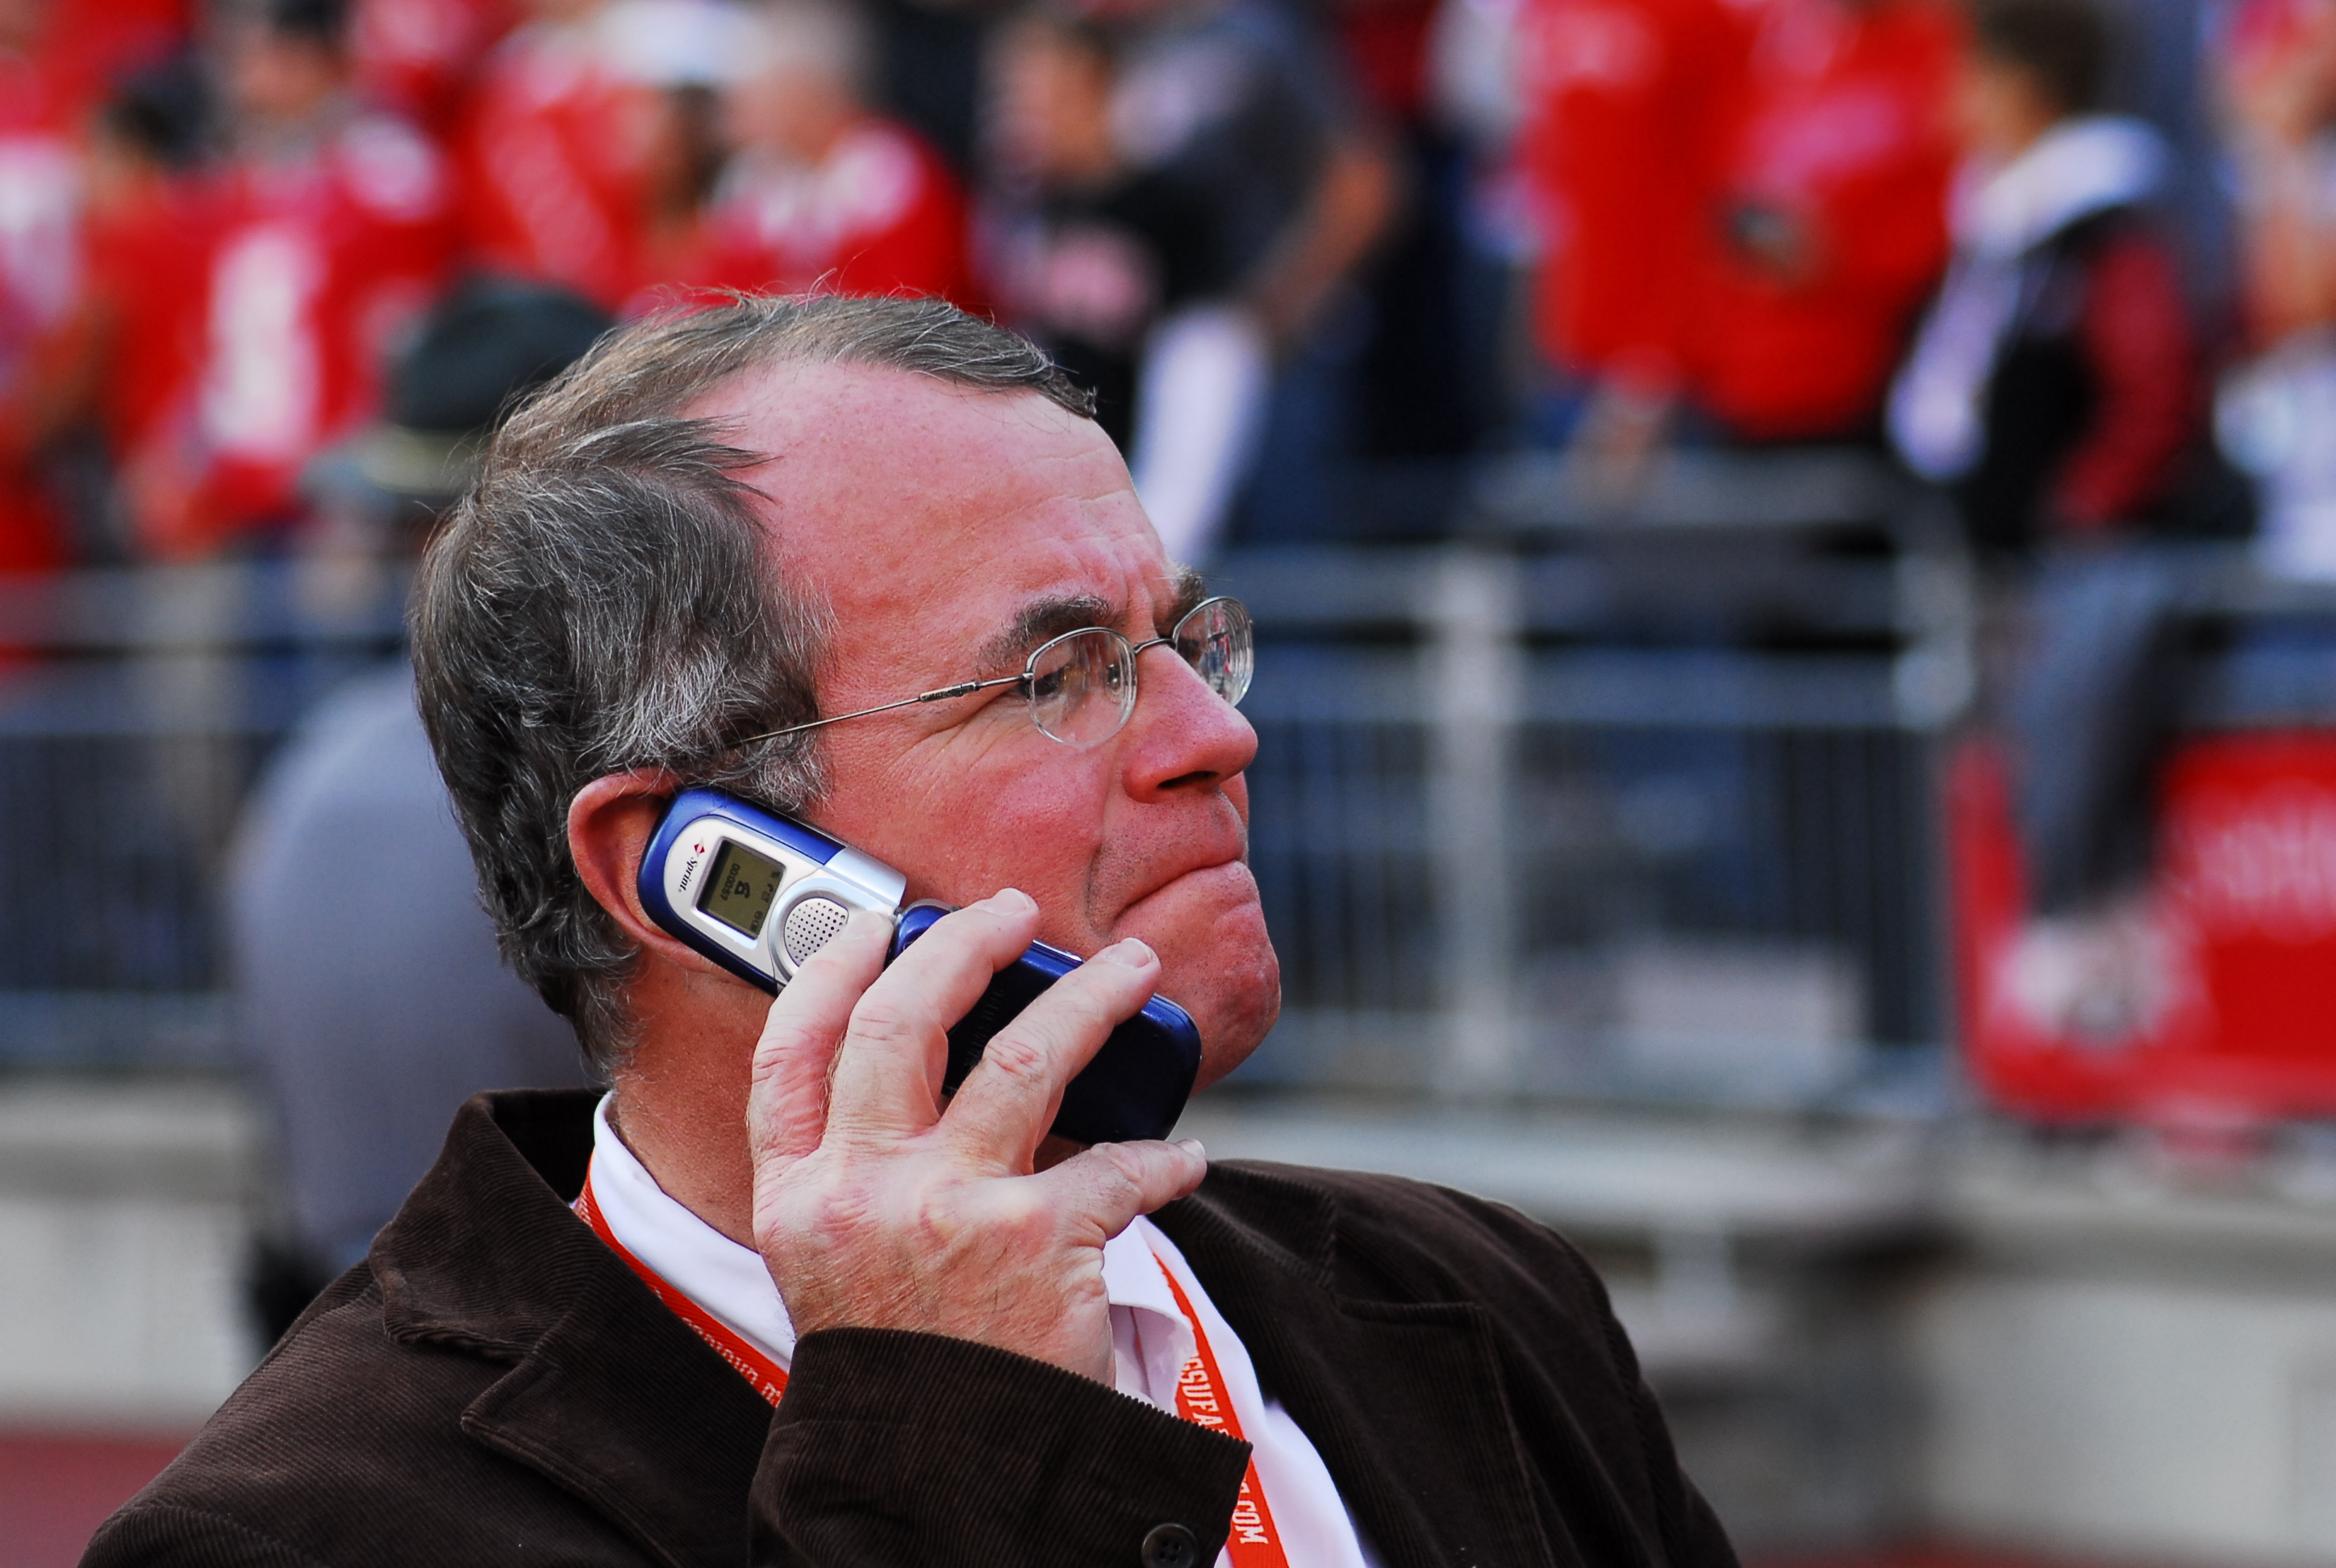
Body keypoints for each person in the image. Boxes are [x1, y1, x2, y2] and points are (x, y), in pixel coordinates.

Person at [87, 293, 1738, 1568]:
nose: (1212, 735)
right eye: (1057, 673)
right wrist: (951, 1444)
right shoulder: (314, 1528)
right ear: (687, 866)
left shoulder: (1481, 1298)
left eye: (1177, 640)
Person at [128, 0, 454, 559]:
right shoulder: (237, 185)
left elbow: (406, 333)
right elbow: (215, 340)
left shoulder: (388, 179)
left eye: (259, 57)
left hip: (333, 493)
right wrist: (177, 447)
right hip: (231, 489)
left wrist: (370, 475)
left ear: (312, 60)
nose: (241, 79)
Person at [1696, 0, 1962, 444]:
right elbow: (1719, 193)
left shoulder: (1940, 48)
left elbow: (1960, 221)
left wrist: (1842, 258)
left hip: (1870, 388)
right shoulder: (1773, 45)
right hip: (1743, 386)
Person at [680, 0, 979, 307]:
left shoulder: (893, 175)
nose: (740, 112)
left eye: (760, 93)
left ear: (807, 93)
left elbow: (906, 308)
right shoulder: (756, 178)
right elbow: (719, 298)